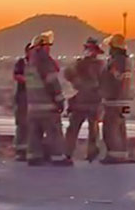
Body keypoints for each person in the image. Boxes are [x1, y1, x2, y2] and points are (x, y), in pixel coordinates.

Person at [25, 31, 73, 166]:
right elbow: (52, 83)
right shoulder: (44, 61)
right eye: (47, 46)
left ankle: (34, 157)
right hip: (47, 106)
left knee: (34, 133)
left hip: (33, 107)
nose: (49, 48)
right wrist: (59, 100)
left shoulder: (29, 63)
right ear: (42, 47)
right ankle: (58, 157)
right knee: (54, 132)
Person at [64, 37, 105, 162]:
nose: (89, 51)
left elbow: (104, 83)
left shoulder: (100, 65)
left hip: (91, 102)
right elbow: (68, 74)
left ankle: (91, 154)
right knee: (74, 128)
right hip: (82, 102)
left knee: (92, 130)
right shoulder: (80, 64)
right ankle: (67, 153)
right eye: (88, 49)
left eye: (91, 49)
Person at [100, 34, 132, 164]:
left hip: (114, 101)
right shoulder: (125, 61)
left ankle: (114, 155)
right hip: (123, 100)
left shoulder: (116, 62)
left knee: (110, 128)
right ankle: (121, 153)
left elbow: (115, 79)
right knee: (120, 127)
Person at [13, 43, 31, 161]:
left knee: (33, 125)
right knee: (22, 124)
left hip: (34, 98)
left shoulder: (39, 63)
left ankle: (31, 150)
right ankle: (20, 151)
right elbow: (16, 76)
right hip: (23, 97)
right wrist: (30, 80)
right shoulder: (22, 63)